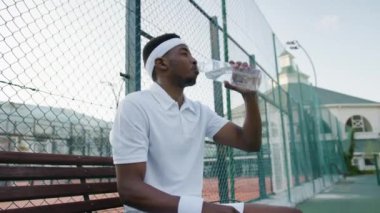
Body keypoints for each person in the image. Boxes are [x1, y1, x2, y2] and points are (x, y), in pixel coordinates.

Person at [110, 33, 301, 213]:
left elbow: (249, 142)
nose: (194, 60)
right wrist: (209, 210)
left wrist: (249, 97)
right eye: (185, 53)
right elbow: (130, 190)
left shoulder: (199, 110)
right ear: (162, 64)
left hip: (197, 209)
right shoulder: (135, 105)